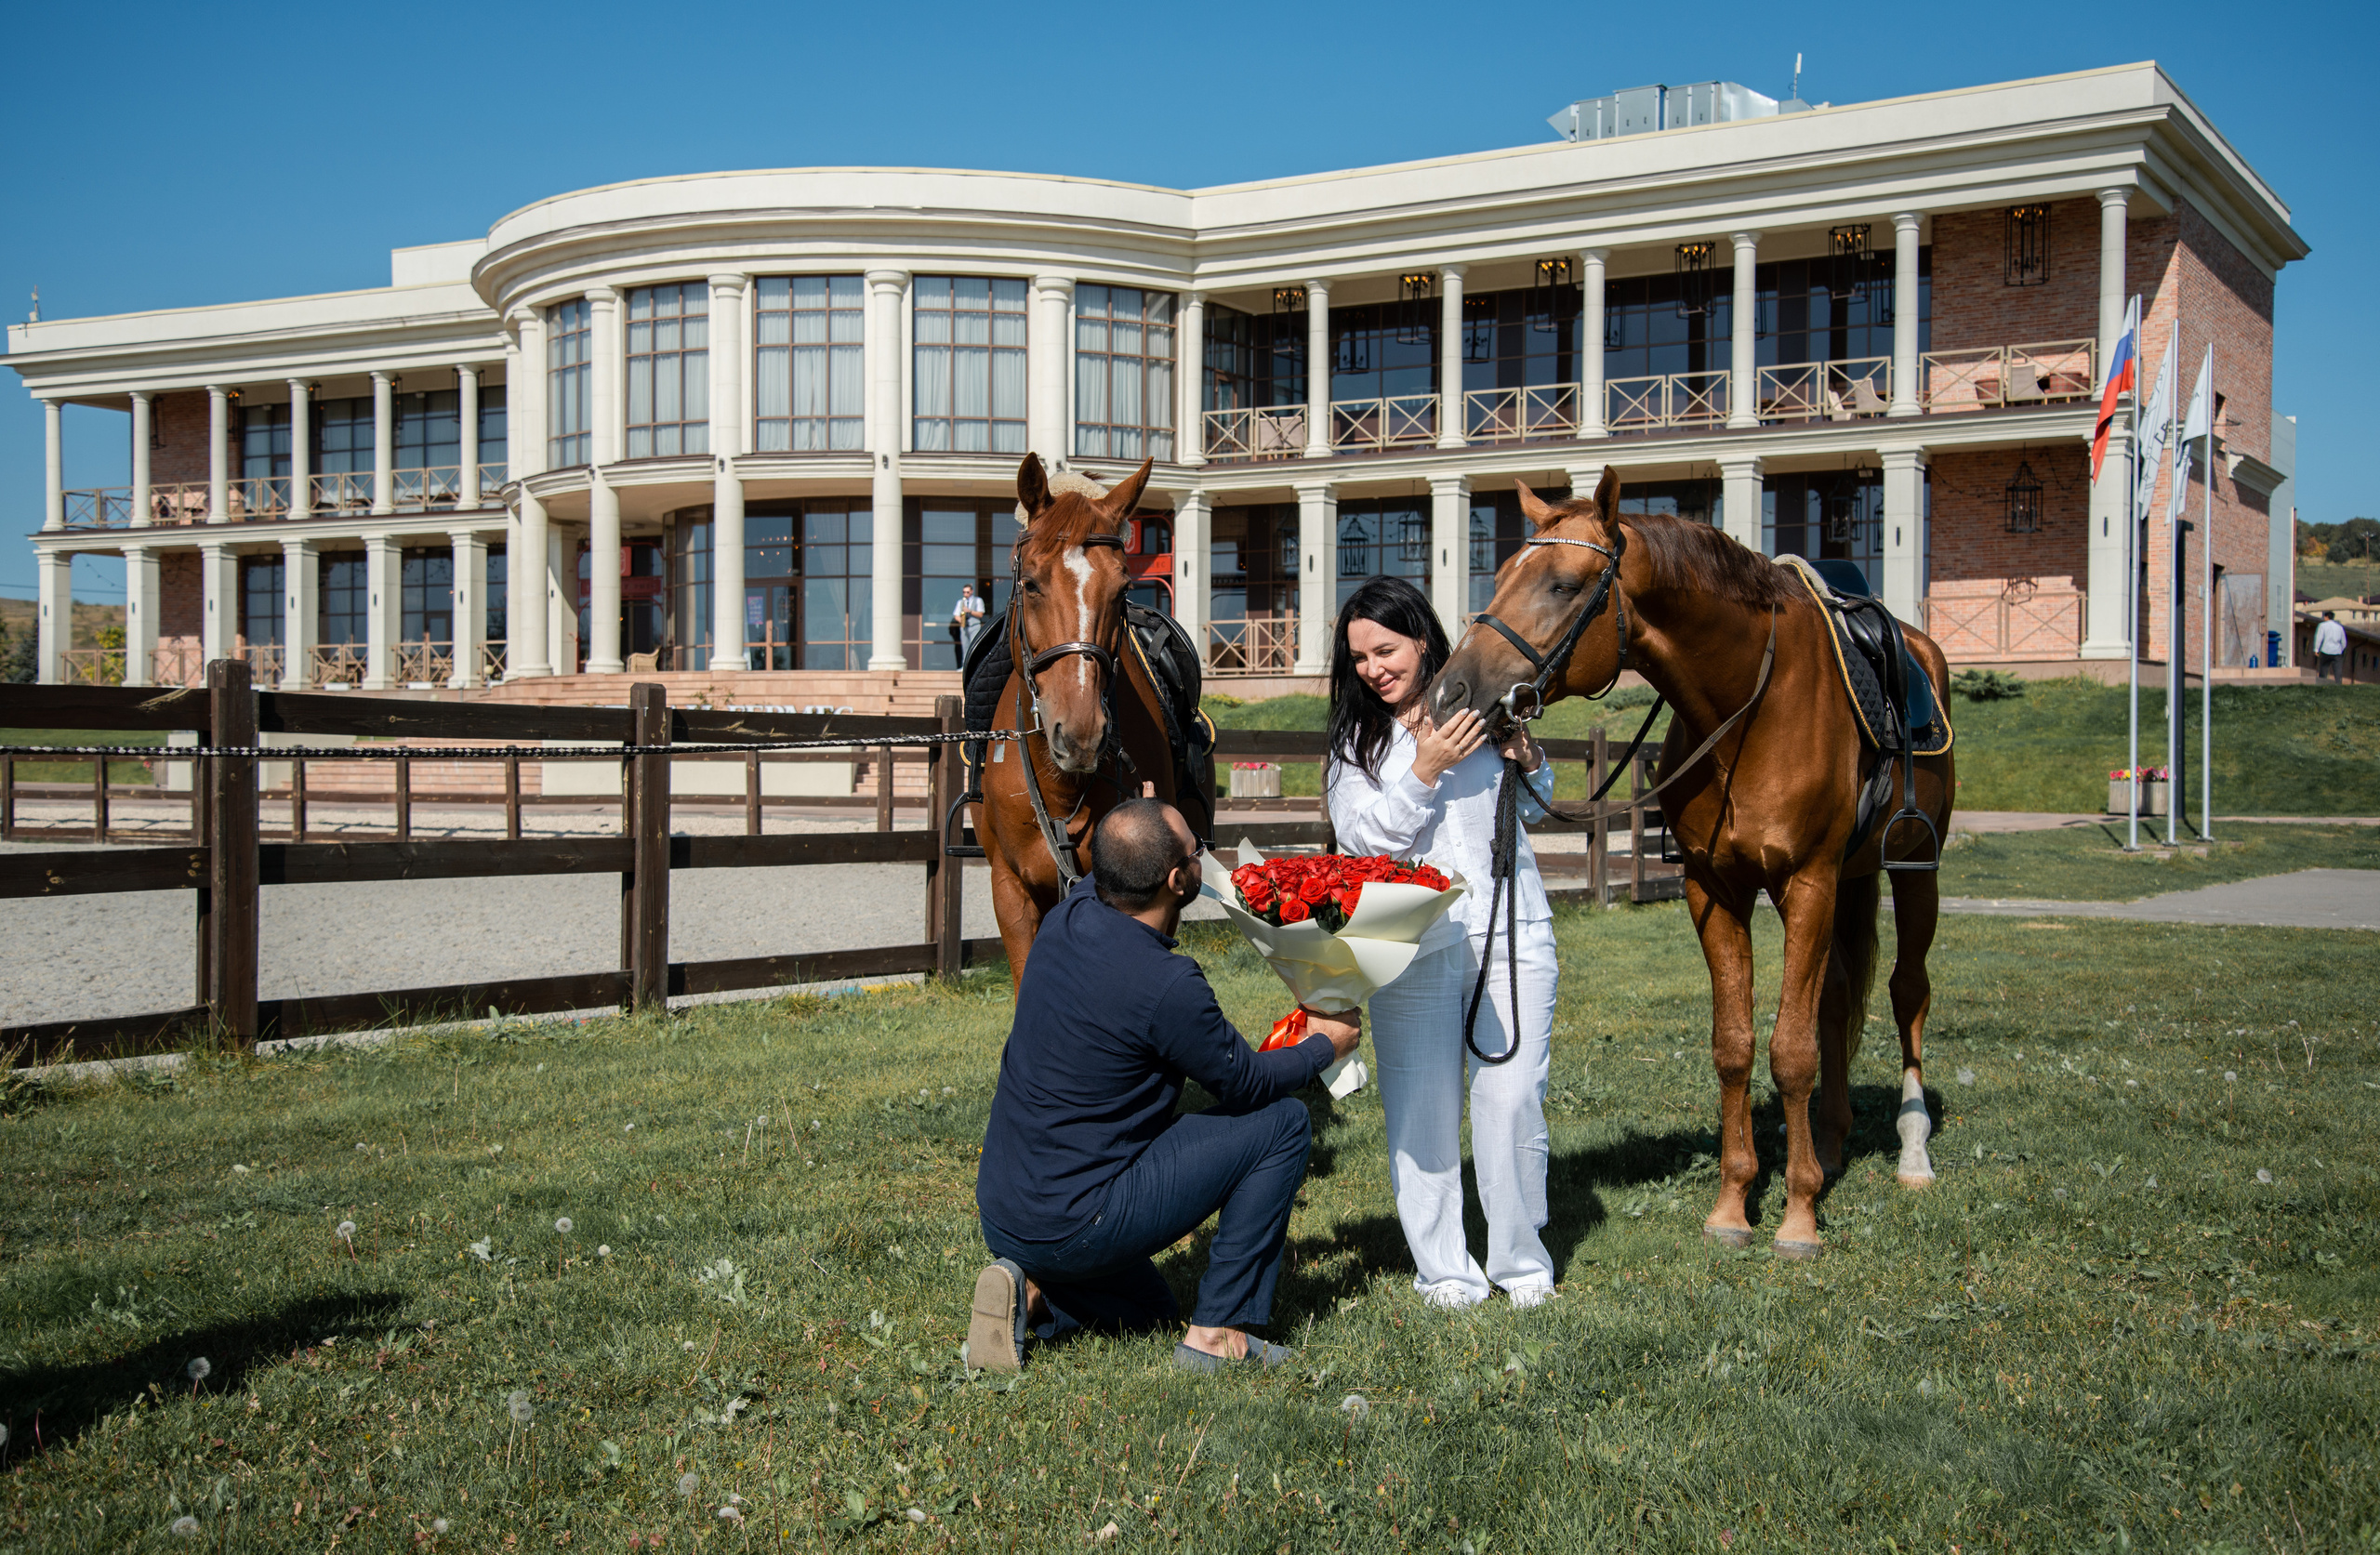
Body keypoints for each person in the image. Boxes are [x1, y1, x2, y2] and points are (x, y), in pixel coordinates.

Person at [969, 798, 1362, 1373]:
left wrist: (1141, 817)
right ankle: (1218, 1336)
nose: (1203, 853)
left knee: (1150, 1310)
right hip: (1080, 1217)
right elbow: (1247, 1084)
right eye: (1196, 847)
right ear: (1179, 881)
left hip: (1005, 1212)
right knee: (1282, 1125)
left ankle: (1033, 1295)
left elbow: (1116, 856)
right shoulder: (1168, 984)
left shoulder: (1066, 918)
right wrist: (1326, 1045)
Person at [1324, 574, 1561, 1310]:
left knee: (1514, 1099)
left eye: (1385, 649)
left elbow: (1541, 810)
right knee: (1421, 1110)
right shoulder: (1355, 742)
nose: (1373, 668)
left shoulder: (1483, 711)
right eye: (1359, 656)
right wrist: (1423, 772)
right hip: (1413, 944)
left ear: (1423, 641)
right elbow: (1362, 839)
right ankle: (1446, 1273)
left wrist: (1529, 760)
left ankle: (1521, 1264)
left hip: (1509, 928)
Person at [2313, 611, 2347, 684]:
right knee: (2338, 671)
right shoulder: (2339, 627)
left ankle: (2322, 683)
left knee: (2323, 669)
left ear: (2326, 617)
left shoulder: (2322, 625)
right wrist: (2341, 649)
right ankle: (2338, 684)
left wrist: (2316, 649)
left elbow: (2319, 638)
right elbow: (2344, 642)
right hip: (2337, 652)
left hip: (2326, 650)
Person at [954, 585, 987, 660]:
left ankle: (973, 666)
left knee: (974, 647)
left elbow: (980, 614)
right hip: (964, 627)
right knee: (965, 647)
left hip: (974, 626)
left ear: (972, 591)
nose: (965, 594)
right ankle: (964, 666)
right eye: (964, 592)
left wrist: (970, 611)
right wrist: (961, 620)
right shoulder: (960, 602)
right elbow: (956, 615)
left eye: (967, 592)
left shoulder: (978, 600)